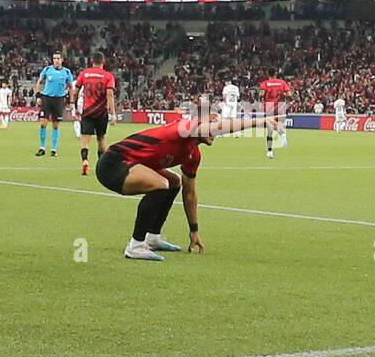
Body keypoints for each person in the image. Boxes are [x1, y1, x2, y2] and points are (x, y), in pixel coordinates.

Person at [95, 112, 281, 261]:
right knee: (161, 184)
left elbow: (189, 193)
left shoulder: (193, 154)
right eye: (213, 126)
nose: (215, 132)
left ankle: (152, 238)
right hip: (113, 164)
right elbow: (219, 127)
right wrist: (260, 121)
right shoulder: (184, 127)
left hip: (130, 165)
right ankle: (135, 245)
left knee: (174, 182)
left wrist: (194, 230)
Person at [71, 51, 116, 176]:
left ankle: (85, 160)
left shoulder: (84, 74)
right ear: (103, 62)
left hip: (87, 111)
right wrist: (113, 114)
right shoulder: (108, 76)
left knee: (85, 139)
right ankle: (101, 166)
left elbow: (75, 92)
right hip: (101, 112)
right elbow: (110, 94)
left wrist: (74, 106)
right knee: (101, 139)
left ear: (92, 61)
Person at [34, 51, 74, 157]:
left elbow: (71, 87)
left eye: (57, 58)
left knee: (55, 126)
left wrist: (71, 101)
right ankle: (42, 148)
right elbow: (39, 82)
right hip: (46, 99)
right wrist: (38, 96)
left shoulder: (66, 72)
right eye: (54, 58)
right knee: (43, 124)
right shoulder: (47, 70)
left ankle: (53, 149)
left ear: (62, 60)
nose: (55, 60)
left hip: (59, 100)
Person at [259, 74, 291, 159]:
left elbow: (261, 94)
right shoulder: (282, 83)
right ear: (275, 74)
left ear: (268, 75)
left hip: (269, 108)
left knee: (270, 131)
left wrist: (261, 100)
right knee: (277, 124)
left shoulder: (265, 83)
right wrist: (285, 101)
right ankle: (282, 134)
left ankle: (270, 152)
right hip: (280, 108)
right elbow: (289, 94)